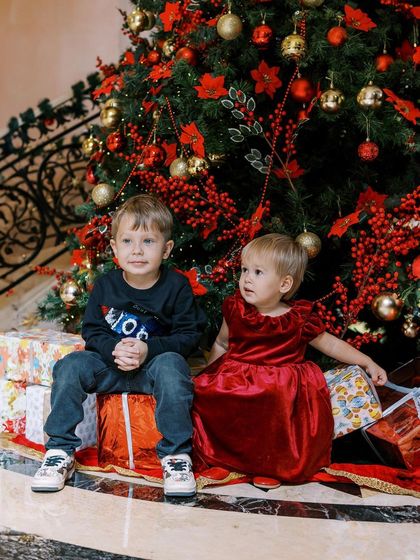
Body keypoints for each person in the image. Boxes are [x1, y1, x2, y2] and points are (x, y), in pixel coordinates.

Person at [32, 194, 206, 497]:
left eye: (148, 242)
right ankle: (59, 450)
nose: (137, 250)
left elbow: (189, 336)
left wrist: (147, 349)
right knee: (71, 365)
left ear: (166, 249)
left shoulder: (176, 286)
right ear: (114, 248)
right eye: (127, 241)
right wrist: (114, 350)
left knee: (173, 367)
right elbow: (93, 331)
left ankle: (176, 456)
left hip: (152, 370)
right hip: (110, 368)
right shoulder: (105, 285)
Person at [192, 233, 387, 485]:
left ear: (284, 284)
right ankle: (220, 459)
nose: (246, 279)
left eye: (258, 272)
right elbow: (220, 342)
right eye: (244, 270)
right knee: (215, 400)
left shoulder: (297, 319)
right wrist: (209, 374)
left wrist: (366, 361)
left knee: (275, 409)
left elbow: (329, 343)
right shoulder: (236, 309)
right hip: (237, 378)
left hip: (279, 384)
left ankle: (270, 466)